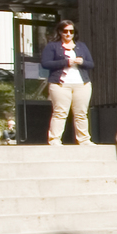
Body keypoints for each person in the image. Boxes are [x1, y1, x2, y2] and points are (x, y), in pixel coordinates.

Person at [40, 19, 95, 147]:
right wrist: (66, 62)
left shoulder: (81, 46)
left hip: (82, 84)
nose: (68, 34)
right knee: (60, 112)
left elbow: (91, 64)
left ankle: (84, 140)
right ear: (60, 32)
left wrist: (82, 62)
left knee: (81, 113)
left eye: (71, 31)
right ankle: (54, 140)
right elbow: (45, 63)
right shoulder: (52, 46)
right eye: (65, 31)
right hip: (60, 84)